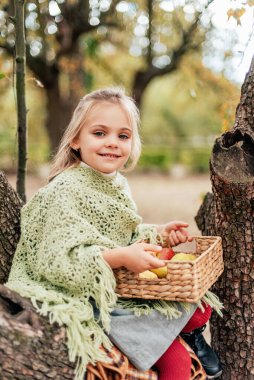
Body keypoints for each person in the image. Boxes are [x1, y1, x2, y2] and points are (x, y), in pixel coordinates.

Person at [6, 87, 222, 380]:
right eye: (99, 133)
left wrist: (157, 234)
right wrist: (120, 257)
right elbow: (57, 259)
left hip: (116, 282)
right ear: (75, 140)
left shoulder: (115, 185)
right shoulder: (65, 190)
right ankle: (173, 340)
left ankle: (192, 332)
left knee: (200, 303)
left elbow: (124, 234)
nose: (112, 143)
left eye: (123, 136)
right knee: (176, 360)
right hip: (83, 293)